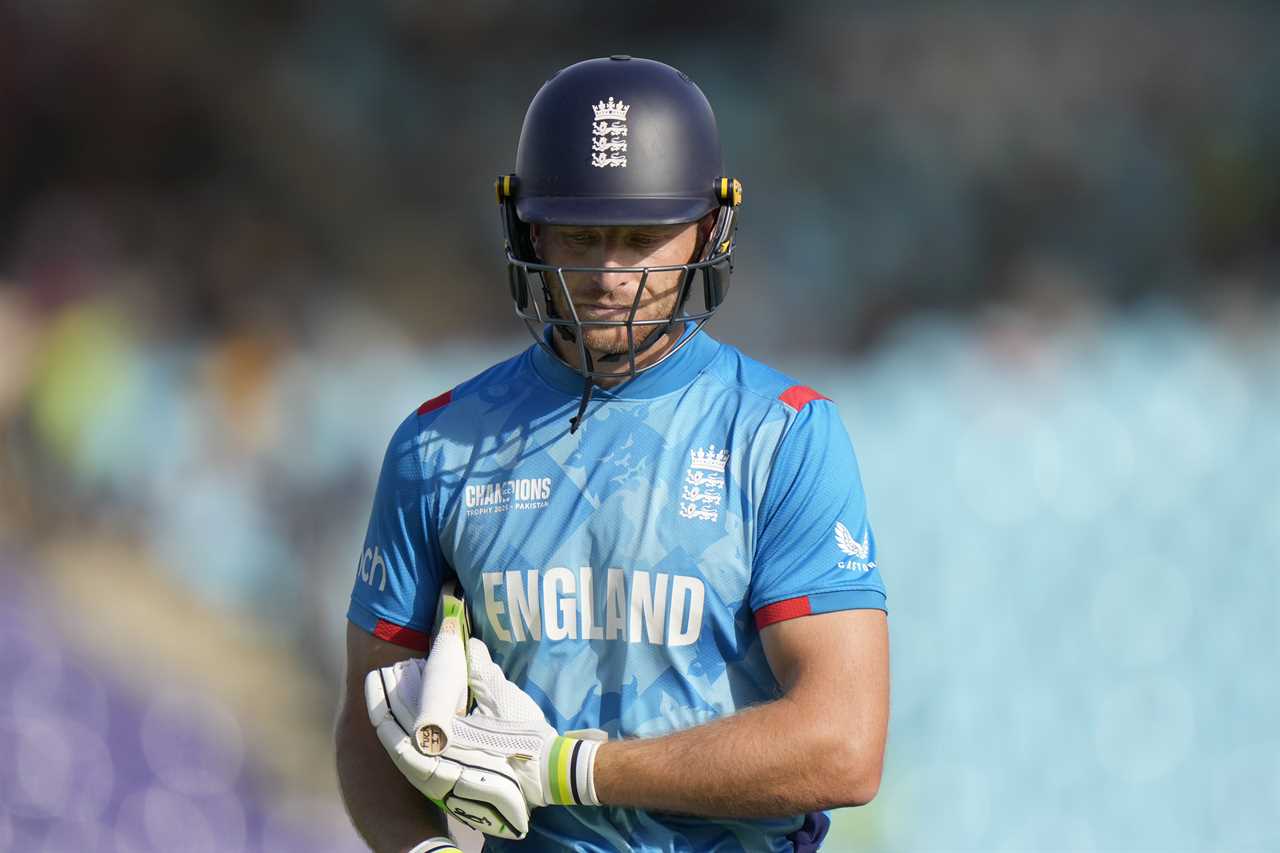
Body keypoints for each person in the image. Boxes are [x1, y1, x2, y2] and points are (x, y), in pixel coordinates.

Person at [335, 56, 889, 853]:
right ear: (527, 225)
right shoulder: (437, 445)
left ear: (710, 227)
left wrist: (570, 769)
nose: (608, 274)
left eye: (642, 238)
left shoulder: (784, 434)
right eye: (581, 235)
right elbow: (369, 722)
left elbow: (842, 743)